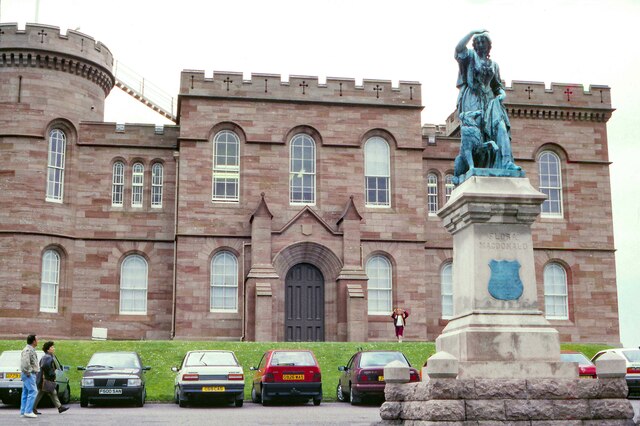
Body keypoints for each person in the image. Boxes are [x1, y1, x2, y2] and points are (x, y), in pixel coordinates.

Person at [454, 29, 521, 175]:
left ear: (488, 45)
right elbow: (459, 48)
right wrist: (472, 32)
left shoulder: (494, 65)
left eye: (483, 41)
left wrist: (502, 94)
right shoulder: (470, 57)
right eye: (477, 42)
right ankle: (474, 165)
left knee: (501, 127)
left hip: (491, 101)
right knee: (475, 132)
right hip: (472, 98)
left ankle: (507, 162)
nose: (480, 44)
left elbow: (497, 86)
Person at [34, 341, 69, 414]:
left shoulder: (47, 356)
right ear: (48, 349)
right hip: (46, 380)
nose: (53, 348)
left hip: (43, 379)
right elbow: (45, 366)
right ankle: (31, 408)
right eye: (52, 347)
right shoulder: (48, 357)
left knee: (50, 393)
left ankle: (60, 408)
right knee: (50, 392)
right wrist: (52, 374)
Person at [20, 334, 39, 418]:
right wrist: (28, 372)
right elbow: (25, 362)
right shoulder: (28, 350)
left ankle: (23, 411)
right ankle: (28, 411)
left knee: (26, 392)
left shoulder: (29, 349)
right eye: (37, 339)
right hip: (29, 374)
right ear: (33, 341)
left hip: (28, 374)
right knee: (33, 391)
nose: (38, 341)